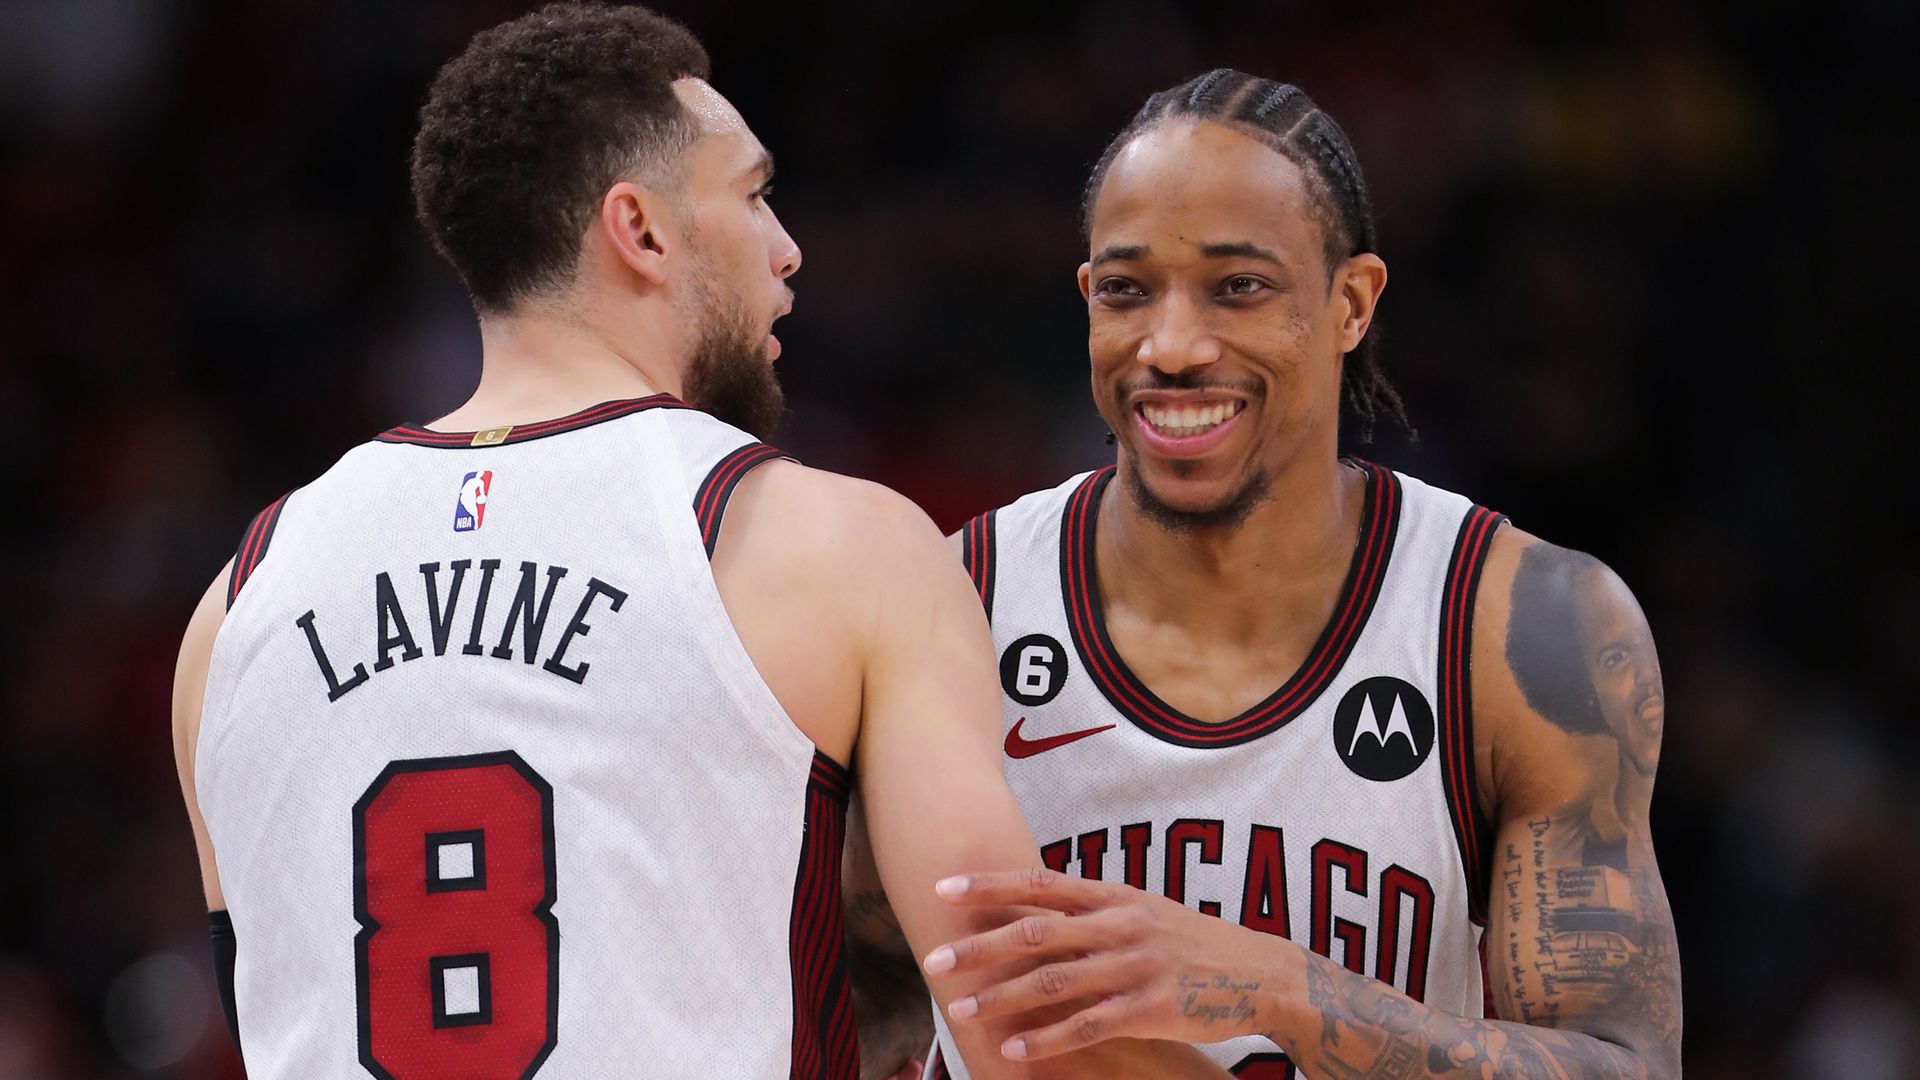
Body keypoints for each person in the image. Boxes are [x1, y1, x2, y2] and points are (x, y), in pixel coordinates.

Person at [169, 6, 1232, 1077]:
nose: (787, 249)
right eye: (756, 194)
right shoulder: (828, 545)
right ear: (641, 230)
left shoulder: (234, 609)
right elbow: (1032, 1032)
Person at [893, 70, 1682, 1077]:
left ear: (1350, 302)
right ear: (1089, 299)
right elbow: (849, 1007)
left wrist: (1276, 989)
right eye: (1130, 290)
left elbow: (1627, 1065)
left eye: (1239, 287)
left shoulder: (1521, 624)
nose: (1172, 346)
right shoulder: (949, 603)